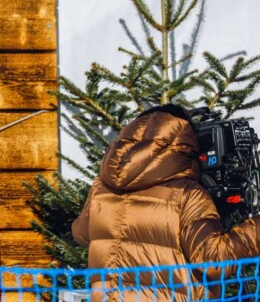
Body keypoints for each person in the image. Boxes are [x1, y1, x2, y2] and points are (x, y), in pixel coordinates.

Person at [72, 104, 260, 301]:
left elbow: (81, 234)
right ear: (183, 142)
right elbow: (212, 261)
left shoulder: (102, 188)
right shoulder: (187, 194)